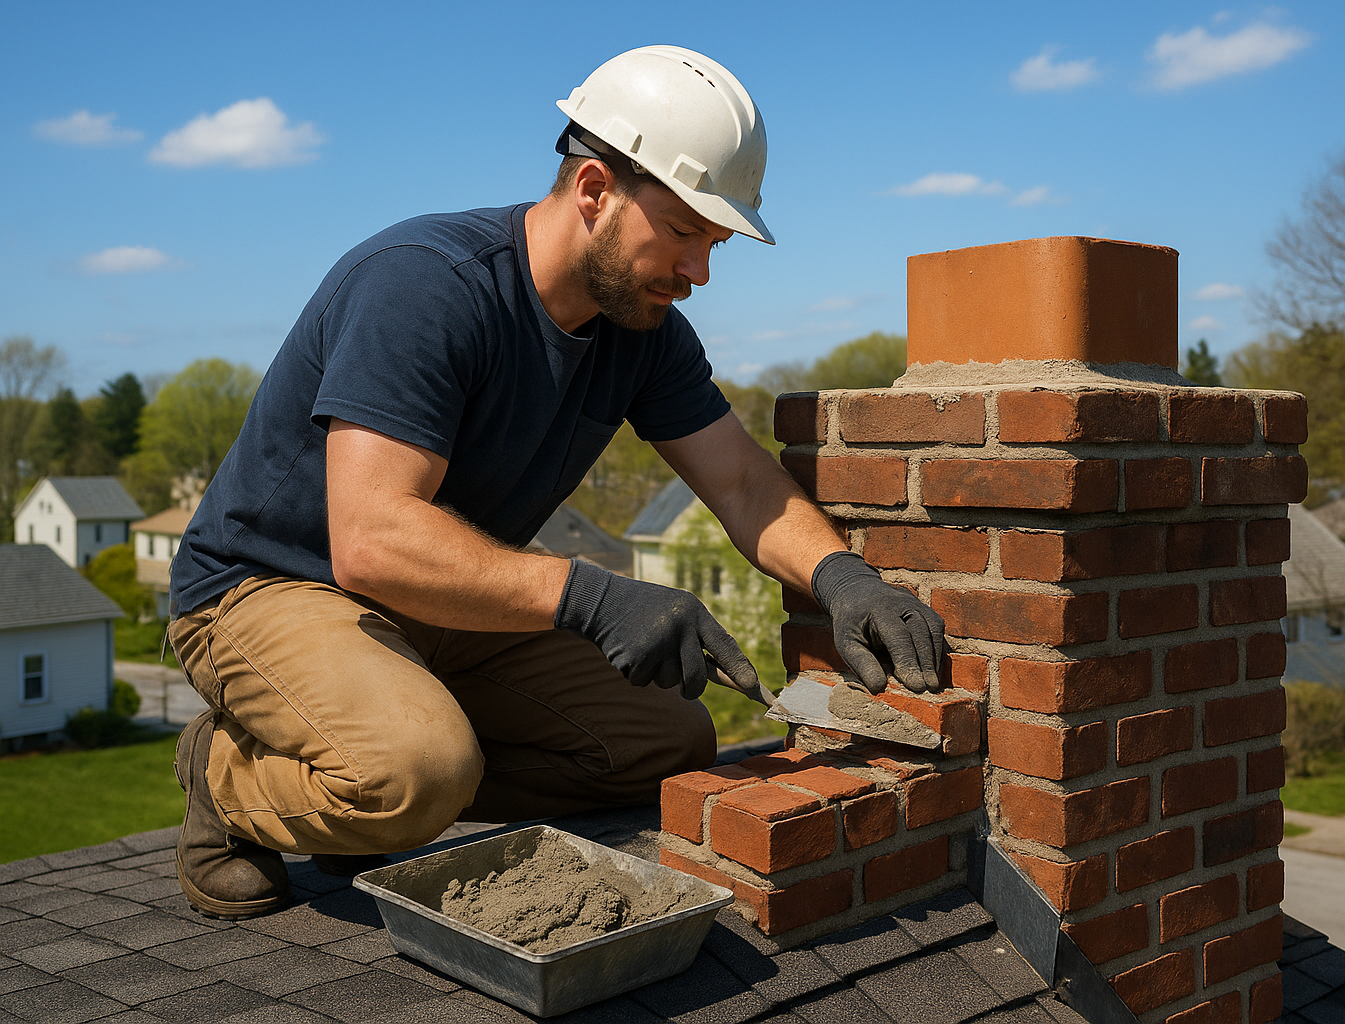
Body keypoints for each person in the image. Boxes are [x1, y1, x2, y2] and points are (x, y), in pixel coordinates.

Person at [166, 45, 947, 921]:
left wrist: (845, 579)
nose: (701, 271)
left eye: (715, 242)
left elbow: (738, 481)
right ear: (594, 191)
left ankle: (380, 754)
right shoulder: (427, 286)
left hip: (429, 598)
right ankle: (226, 776)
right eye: (686, 231)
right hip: (269, 587)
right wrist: (593, 598)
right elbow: (373, 540)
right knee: (414, 773)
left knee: (668, 742)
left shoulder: (641, 330)